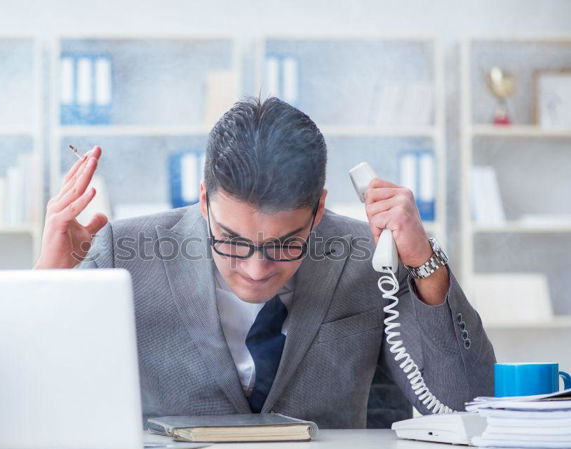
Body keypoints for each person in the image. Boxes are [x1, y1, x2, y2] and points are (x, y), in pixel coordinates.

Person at [35, 97, 495, 428]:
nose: (256, 269)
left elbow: (469, 405)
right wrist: (47, 281)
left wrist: (422, 260)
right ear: (202, 200)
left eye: (285, 243)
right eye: (232, 240)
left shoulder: (368, 255)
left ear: (318, 210)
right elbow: (35, 398)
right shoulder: (123, 252)